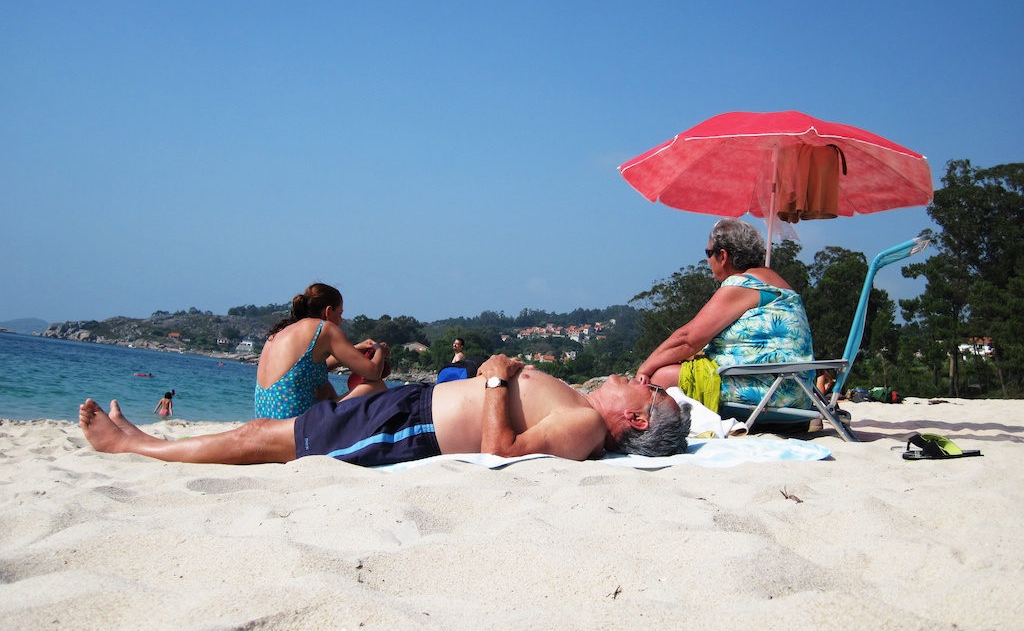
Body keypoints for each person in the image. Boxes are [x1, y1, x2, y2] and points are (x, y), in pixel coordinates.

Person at [79, 355, 690, 466]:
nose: (641, 380)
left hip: (408, 427)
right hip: (409, 406)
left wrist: (497, 382)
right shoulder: (580, 405)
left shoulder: (585, 426)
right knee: (266, 431)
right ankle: (144, 441)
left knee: (264, 439)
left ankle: (136, 446)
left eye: (652, 392)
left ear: (637, 420)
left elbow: (498, 451)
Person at [635, 218, 815, 411]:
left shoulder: (741, 285)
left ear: (723, 256)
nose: (707, 259)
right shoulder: (777, 283)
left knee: (662, 377)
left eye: (708, 253)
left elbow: (687, 339)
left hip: (770, 394)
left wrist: (645, 368)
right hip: (797, 391)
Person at [255, 283, 391, 419]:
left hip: (267, 419)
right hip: (295, 424)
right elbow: (373, 372)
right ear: (328, 311)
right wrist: (379, 350)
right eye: (339, 314)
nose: (340, 320)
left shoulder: (282, 331)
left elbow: (308, 369)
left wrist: (355, 350)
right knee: (376, 386)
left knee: (325, 387)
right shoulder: (324, 329)